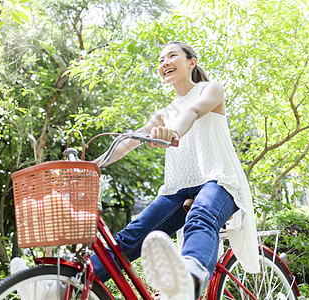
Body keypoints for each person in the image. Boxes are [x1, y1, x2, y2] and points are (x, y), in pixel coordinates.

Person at [91, 41, 260, 299]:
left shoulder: (210, 89)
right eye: (160, 60)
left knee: (201, 217)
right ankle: (67, 281)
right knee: (129, 237)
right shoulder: (164, 113)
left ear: (191, 62)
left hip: (219, 181)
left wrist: (174, 132)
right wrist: (94, 164)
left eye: (172, 56)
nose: (164, 63)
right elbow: (130, 140)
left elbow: (193, 110)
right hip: (179, 187)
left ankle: (188, 280)